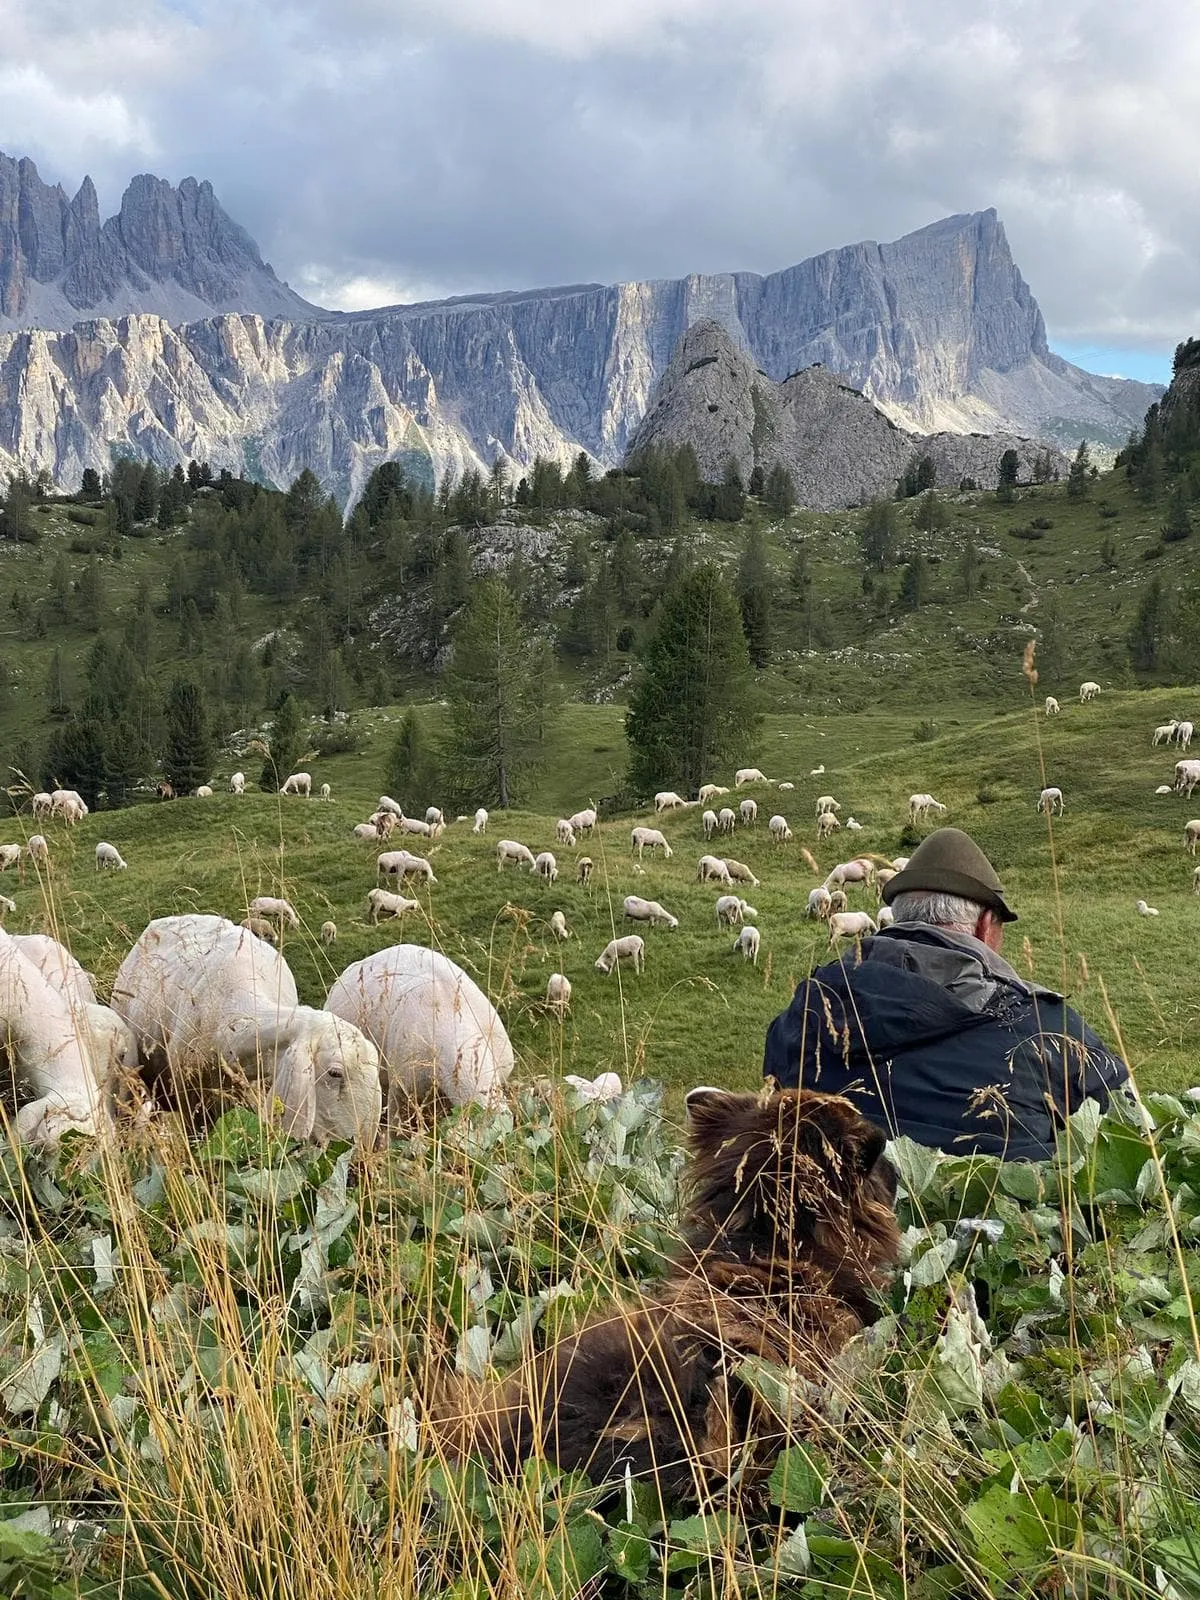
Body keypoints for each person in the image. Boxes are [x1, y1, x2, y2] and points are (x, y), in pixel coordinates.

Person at [763, 827, 1129, 1160]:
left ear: (898, 916)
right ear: (985, 925)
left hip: (824, 1209)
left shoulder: (801, 1018)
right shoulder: (1050, 1032)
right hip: (995, 1212)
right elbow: (1130, 1133)